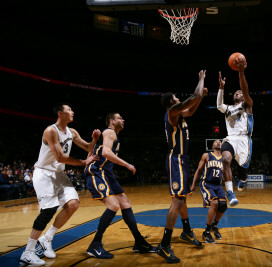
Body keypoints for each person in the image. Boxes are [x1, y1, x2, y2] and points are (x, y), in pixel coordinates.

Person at [19, 103, 100, 266]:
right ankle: (27, 253)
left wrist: (94, 140)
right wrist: (84, 161)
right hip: (44, 173)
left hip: (59, 174)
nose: (72, 111)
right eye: (69, 109)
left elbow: (88, 147)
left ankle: (46, 239)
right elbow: (60, 157)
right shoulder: (50, 131)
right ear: (60, 114)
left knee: (73, 204)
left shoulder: (72, 132)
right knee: (48, 210)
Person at [85, 112, 156, 259]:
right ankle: (95, 244)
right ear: (111, 121)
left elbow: (95, 149)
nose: (123, 120)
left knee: (125, 203)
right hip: (97, 172)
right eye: (119, 118)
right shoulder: (110, 132)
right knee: (113, 206)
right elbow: (105, 152)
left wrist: (87, 158)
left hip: (107, 173)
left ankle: (139, 242)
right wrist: (127, 164)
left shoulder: (111, 135)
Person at [156, 70, 207, 264]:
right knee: (177, 201)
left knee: (182, 198)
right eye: (176, 97)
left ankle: (186, 231)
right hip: (176, 159)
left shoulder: (180, 116)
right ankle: (164, 244)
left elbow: (192, 108)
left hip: (182, 160)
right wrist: (201, 79)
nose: (178, 99)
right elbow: (192, 97)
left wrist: (200, 98)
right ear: (172, 102)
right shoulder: (171, 112)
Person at [217, 58, 254, 206]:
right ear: (233, 96)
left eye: (241, 92)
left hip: (245, 140)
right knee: (225, 159)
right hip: (231, 138)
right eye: (237, 92)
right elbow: (219, 105)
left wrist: (241, 72)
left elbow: (245, 91)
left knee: (243, 170)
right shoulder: (228, 108)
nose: (239, 92)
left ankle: (243, 180)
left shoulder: (248, 106)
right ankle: (230, 193)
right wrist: (221, 88)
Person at [191, 139, 227, 243]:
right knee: (214, 203)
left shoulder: (224, 158)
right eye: (216, 142)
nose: (218, 142)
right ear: (212, 145)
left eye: (220, 141)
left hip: (218, 186)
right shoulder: (206, 156)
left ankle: (214, 226)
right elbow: (198, 170)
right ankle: (206, 232)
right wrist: (193, 184)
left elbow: (225, 174)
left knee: (223, 205)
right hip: (206, 183)